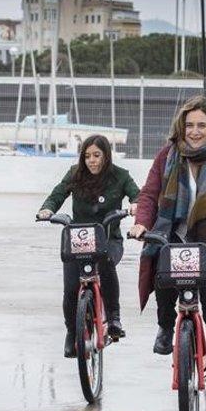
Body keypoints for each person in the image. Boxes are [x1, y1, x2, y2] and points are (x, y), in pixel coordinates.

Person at [129, 96, 206, 411]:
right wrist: (142, 224)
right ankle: (166, 325)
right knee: (163, 275)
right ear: (181, 127)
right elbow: (149, 194)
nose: (195, 131)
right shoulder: (166, 156)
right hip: (174, 236)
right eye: (189, 125)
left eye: (201, 125)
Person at [37, 134, 139, 357]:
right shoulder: (75, 173)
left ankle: (113, 318)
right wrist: (48, 209)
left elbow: (137, 195)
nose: (92, 161)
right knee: (71, 288)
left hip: (108, 238)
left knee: (106, 262)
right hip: (79, 239)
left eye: (97, 155)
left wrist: (135, 205)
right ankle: (72, 333)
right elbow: (57, 194)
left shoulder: (120, 176)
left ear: (106, 156)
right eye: (87, 156)